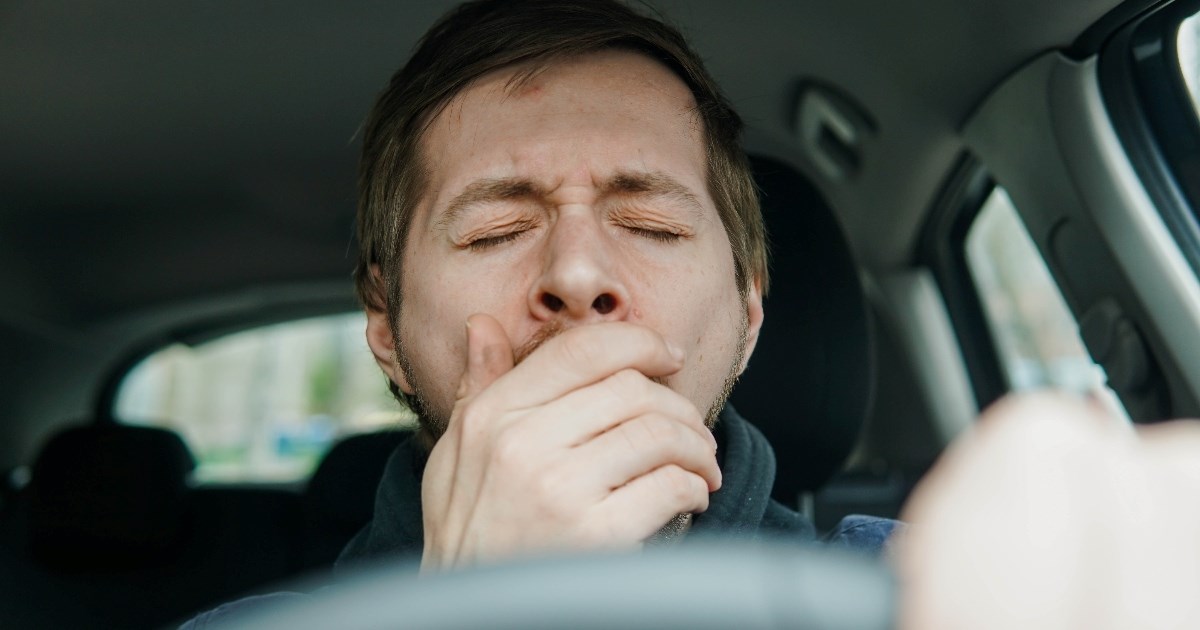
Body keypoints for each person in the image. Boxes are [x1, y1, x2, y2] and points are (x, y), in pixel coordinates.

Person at [185, 0, 1200, 627]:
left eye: (651, 224)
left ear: (750, 311)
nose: (578, 273)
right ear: (384, 328)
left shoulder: (930, 590)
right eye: (495, 231)